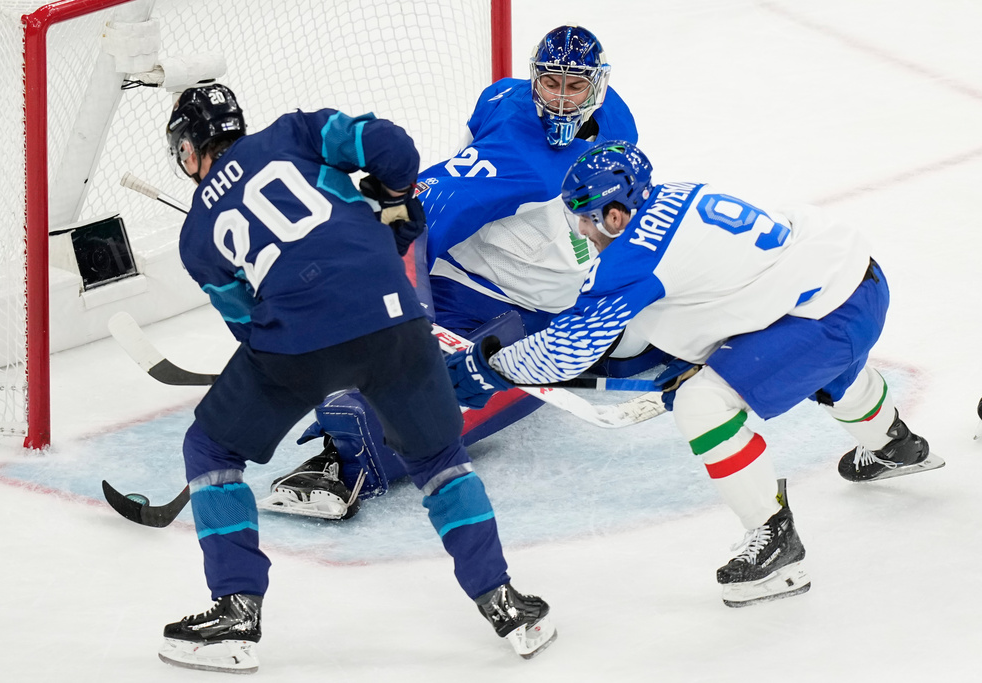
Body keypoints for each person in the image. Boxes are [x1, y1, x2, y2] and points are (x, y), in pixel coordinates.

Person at [156, 83, 557, 674]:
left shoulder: (196, 234)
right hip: (395, 319)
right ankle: (505, 603)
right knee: (438, 461)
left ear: (189, 151)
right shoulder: (295, 133)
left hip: (294, 347)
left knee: (211, 448)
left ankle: (235, 613)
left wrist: (296, 344)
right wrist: (394, 204)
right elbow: (393, 147)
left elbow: (244, 320)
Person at [446, 140, 944, 608]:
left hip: (829, 315)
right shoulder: (676, 195)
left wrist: (486, 366)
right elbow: (704, 295)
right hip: (853, 279)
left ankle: (775, 545)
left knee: (702, 404)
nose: (581, 232)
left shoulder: (630, 257)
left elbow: (565, 353)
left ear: (615, 215)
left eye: (586, 220)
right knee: (821, 368)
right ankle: (893, 444)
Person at [266, 25, 655, 520]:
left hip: (554, 303)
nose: (559, 99)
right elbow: (419, 215)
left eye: (574, 86)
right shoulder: (513, 156)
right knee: (446, 380)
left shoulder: (616, 120)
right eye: (549, 83)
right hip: (468, 287)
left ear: (597, 87)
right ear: (534, 80)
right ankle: (343, 460)